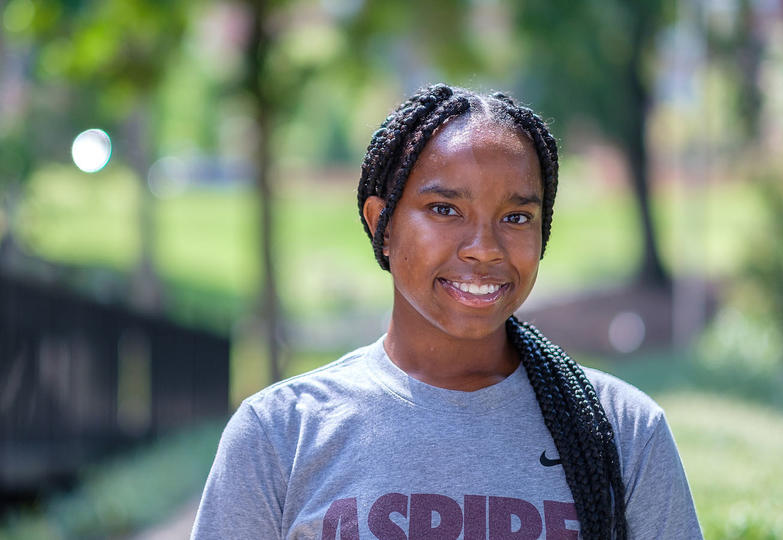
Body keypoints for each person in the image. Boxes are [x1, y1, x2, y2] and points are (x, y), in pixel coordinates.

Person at [191, 84, 702, 539]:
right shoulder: (280, 433)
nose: (485, 248)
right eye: (445, 210)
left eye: (517, 216)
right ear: (382, 225)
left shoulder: (623, 431)